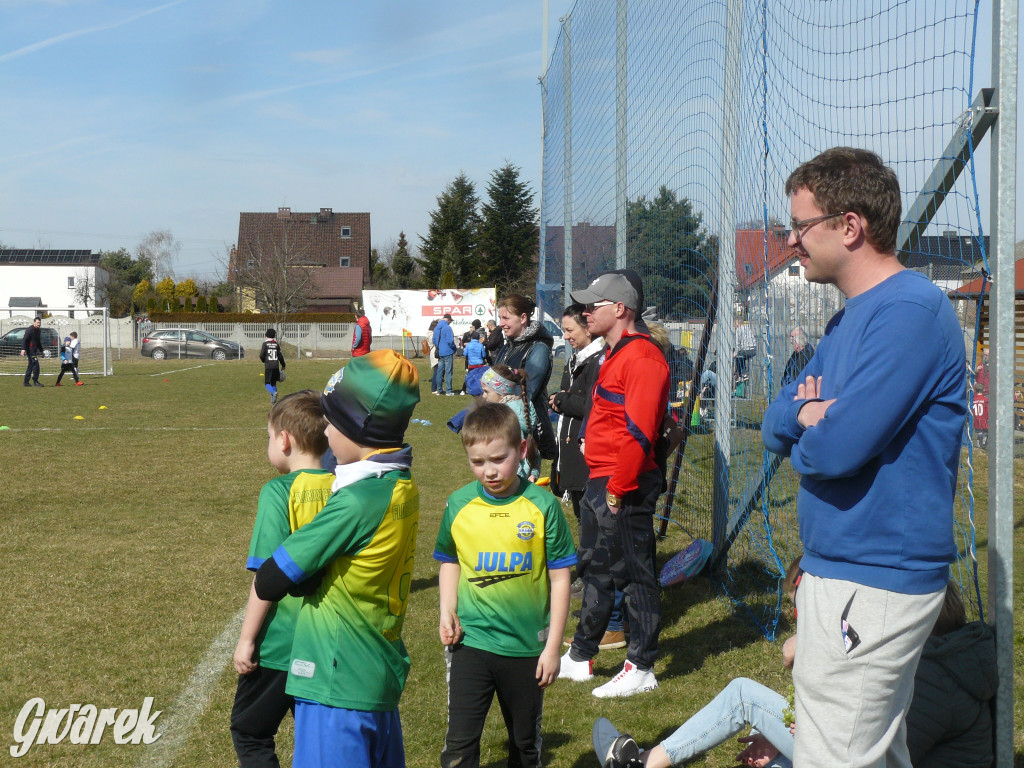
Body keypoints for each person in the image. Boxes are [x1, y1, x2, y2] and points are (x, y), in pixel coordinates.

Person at [761, 147, 967, 767]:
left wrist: (821, 431)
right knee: (868, 751)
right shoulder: (850, 320)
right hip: (841, 567)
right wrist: (807, 414)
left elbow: (837, 451)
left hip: (876, 575)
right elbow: (776, 423)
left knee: (836, 753)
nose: (792, 242)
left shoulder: (909, 312)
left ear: (849, 227)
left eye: (800, 226)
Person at [595, 577, 996, 768]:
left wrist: (797, 734)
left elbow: (864, 752)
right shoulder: (943, 664)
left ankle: (644, 763)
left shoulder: (934, 680)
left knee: (744, 696)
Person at [251, 349, 421, 768]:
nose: (324, 431)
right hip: (376, 673)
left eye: (331, 420)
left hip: (335, 680)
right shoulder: (401, 484)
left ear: (356, 427)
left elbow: (271, 578)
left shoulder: (356, 502)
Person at [433, 402, 576, 768]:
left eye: (499, 459)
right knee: (459, 746)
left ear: (522, 449)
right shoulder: (459, 504)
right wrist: (446, 610)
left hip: (528, 648)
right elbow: (449, 560)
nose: (489, 471)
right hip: (472, 644)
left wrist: (553, 647)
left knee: (525, 745)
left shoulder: (543, 507)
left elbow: (561, 580)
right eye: (478, 462)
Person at [559, 269, 670, 698]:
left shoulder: (642, 357)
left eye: (594, 305)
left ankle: (641, 666)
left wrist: (617, 490)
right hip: (601, 480)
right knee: (600, 569)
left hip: (621, 484)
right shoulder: (617, 353)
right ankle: (581, 656)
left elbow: (639, 433)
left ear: (620, 309)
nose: (586, 311)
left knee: (634, 574)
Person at [231, 391, 334, 768]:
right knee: (319, 739)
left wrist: (246, 640)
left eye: (268, 436)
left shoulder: (278, 492)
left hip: (279, 647)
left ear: (284, 440)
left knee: (250, 731)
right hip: (328, 643)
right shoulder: (343, 488)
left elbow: (266, 577)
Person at [549, 304, 626, 649]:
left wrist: (563, 400)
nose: (566, 336)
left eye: (570, 329)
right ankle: (598, 611)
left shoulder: (603, 360)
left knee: (605, 545)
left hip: (602, 465)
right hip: (585, 458)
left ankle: (612, 619)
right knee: (590, 534)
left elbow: (593, 406)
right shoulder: (584, 358)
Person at [493, 295, 556, 458]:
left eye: (506, 318)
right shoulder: (507, 347)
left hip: (528, 428)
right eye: (500, 318)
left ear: (523, 318)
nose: (501, 323)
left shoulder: (538, 348)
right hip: (503, 423)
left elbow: (526, 392)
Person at [479, 365, 542, 482]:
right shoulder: (523, 412)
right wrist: (533, 473)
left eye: (486, 392)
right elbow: (533, 448)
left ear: (502, 392)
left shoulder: (505, 417)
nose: (483, 396)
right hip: (520, 481)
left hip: (506, 482)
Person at [260, 329, 286, 405]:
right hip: (276, 366)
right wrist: (283, 365)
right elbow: (280, 356)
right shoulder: (276, 344)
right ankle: (273, 402)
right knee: (273, 383)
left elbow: (261, 355)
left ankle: (273, 393)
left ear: (267, 335)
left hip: (268, 366)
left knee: (267, 383)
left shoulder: (265, 344)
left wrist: (264, 360)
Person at [433, 313, 457, 396]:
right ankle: (448, 390)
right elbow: (450, 341)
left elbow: (434, 340)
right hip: (448, 351)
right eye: (450, 321)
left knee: (439, 371)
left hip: (440, 352)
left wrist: (439, 347)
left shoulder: (436, 328)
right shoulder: (447, 328)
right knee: (448, 371)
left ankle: (439, 390)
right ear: (448, 319)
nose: (450, 322)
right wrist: (454, 348)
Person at [461, 331, 488, 396]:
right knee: (481, 378)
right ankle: (482, 390)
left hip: (472, 365)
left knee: (469, 377)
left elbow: (464, 354)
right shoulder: (480, 345)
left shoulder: (469, 345)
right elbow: (484, 355)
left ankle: (463, 390)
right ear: (478, 338)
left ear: (472, 337)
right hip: (479, 364)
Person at [21, 316, 44, 387]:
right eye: (37, 322)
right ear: (34, 322)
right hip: (30, 351)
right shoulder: (30, 330)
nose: (39, 324)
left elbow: (38, 342)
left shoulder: (38, 331)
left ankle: (26, 382)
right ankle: (35, 381)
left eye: (39, 323)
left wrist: (41, 350)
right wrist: (23, 349)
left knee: (30, 365)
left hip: (34, 350)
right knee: (36, 365)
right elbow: (24, 339)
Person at [734, 316, 756, 382]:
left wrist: (735, 353)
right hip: (753, 349)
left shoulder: (738, 329)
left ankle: (742, 375)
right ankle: (741, 374)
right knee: (741, 357)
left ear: (737, 323)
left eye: (734, 324)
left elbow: (737, 343)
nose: (734, 326)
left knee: (738, 356)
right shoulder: (748, 328)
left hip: (746, 349)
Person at [427, 319, 440, 395]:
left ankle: (437, 386)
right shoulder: (431, 335)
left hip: (435, 352)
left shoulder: (430, 334)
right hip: (435, 353)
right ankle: (434, 388)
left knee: (438, 371)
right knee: (436, 371)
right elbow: (434, 341)